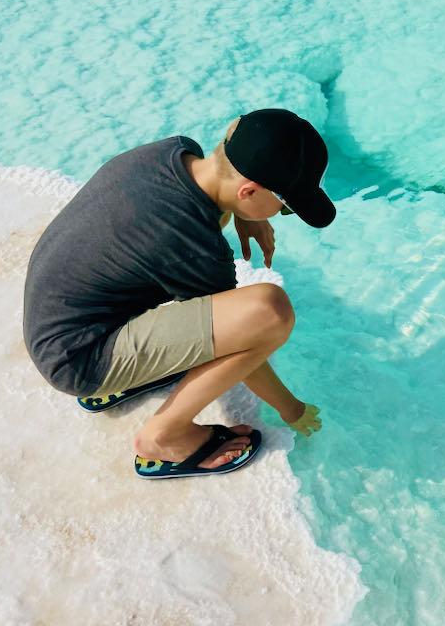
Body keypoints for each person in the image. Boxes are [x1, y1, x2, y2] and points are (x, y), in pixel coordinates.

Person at [23, 108, 331, 479]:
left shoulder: (172, 152)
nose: (282, 214)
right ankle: (164, 437)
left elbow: (212, 202)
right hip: (79, 359)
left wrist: (247, 212)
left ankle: (135, 374)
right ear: (248, 190)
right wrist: (292, 410)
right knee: (269, 312)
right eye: (284, 205)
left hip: (63, 318)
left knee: (216, 228)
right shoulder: (191, 242)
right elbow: (242, 336)